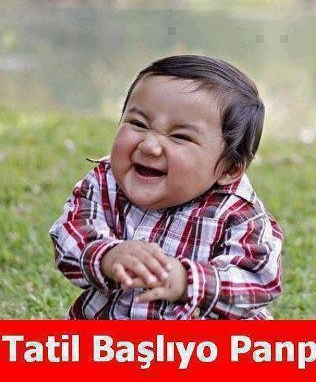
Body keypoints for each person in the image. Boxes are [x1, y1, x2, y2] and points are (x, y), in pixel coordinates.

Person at [49, 55, 283, 320]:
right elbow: (70, 234)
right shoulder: (104, 182)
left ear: (229, 169)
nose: (150, 146)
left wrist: (187, 281)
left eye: (180, 136)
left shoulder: (240, 215)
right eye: (138, 124)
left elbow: (259, 281)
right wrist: (107, 256)